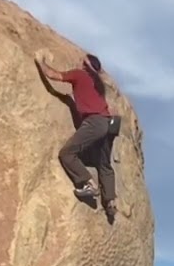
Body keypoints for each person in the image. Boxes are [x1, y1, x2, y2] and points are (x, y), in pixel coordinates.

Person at [35, 50, 119, 217]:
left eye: (83, 61)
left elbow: (54, 75)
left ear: (86, 64)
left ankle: (87, 183)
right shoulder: (97, 85)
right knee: (104, 164)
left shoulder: (80, 75)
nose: (80, 63)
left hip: (95, 122)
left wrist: (41, 62)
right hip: (110, 124)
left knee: (67, 153)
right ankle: (110, 201)